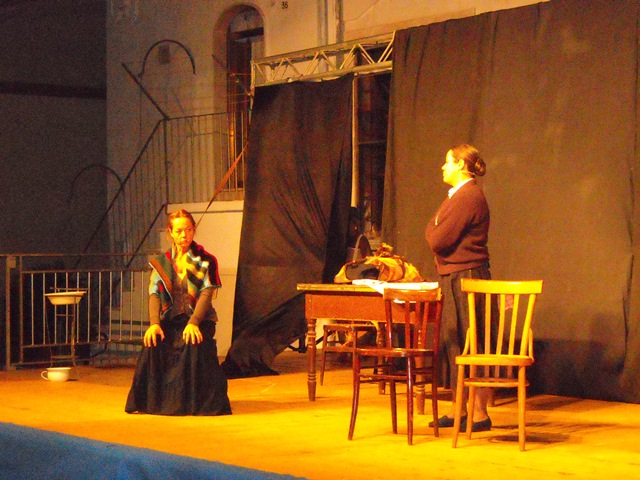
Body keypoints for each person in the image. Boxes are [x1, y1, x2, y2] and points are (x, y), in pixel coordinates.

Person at [125, 209, 232, 416]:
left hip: (199, 320)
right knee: (153, 343)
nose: (184, 235)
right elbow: (154, 294)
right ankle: (153, 403)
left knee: (192, 342)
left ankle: (192, 403)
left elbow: (206, 293)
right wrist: (154, 324)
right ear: (171, 233)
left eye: (189, 230)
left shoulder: (206, 260)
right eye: (179, 231)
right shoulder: (162, 262)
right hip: (171, 320)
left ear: (194, 230)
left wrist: (194, 323)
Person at [424, 144, 493, 432]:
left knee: (470, 342)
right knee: (454, 343)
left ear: (461, 165)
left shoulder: (468, 196)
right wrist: (434, 229)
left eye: (447, 162)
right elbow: (434, 232)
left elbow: (437, 239)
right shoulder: (458, 196)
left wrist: (434, 228)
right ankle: (458, 409)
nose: (443, 167)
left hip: (467, 277)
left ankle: (479, 413)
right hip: (455, 275)